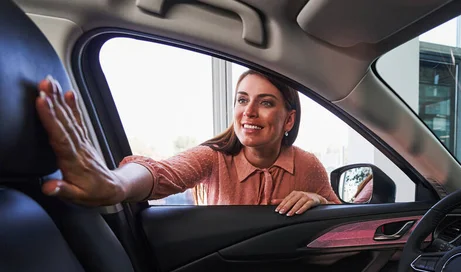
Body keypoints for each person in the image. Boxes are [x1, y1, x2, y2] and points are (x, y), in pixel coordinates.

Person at [35, 70, 341, 216]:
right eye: (242, 100)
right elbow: (160, 172)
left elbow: (343, 223)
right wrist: (116, 185)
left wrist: (319, 203)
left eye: (265, 103)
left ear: (288, 120)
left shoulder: (307, 165)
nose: (248, 112)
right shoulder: (212, 158)